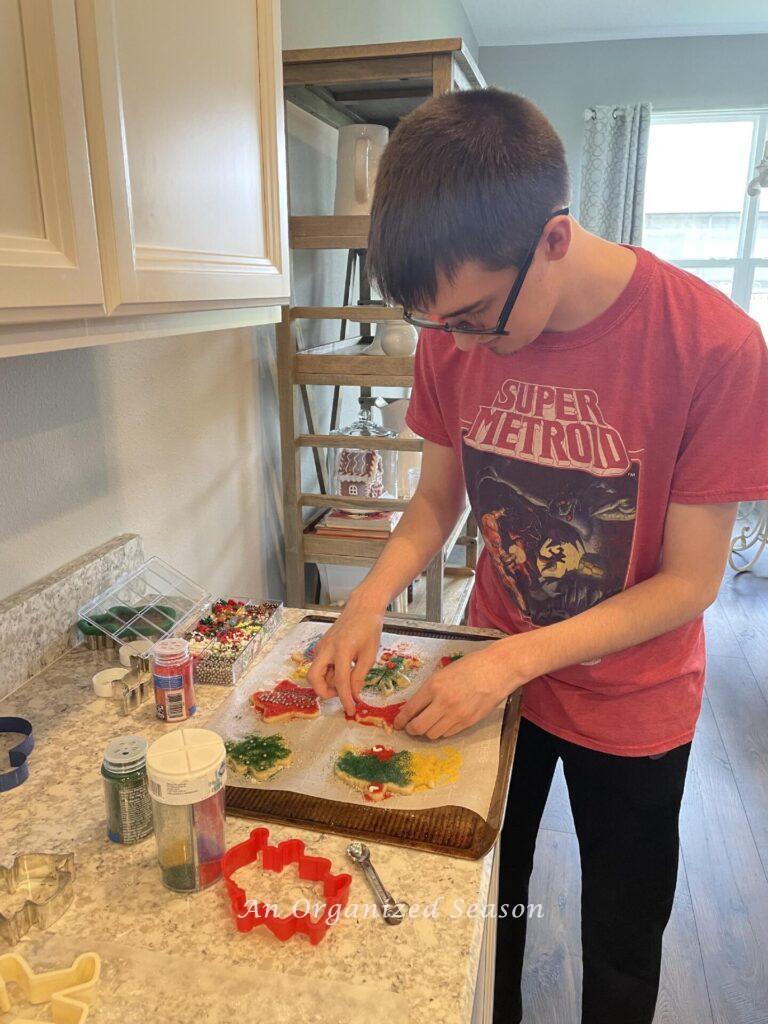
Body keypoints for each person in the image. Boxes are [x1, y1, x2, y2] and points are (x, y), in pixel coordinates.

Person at [305, 88, 768, 1023]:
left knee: (624, 940)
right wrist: (366, 601)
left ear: (554, 239)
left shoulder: (715, 346)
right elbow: (437, 502)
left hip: (635, 701)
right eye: (443, 326)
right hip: (492, 666)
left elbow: (691, 583)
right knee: (485, 909)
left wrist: (511, 659)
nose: (461, 343)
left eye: (475, 317)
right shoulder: (454, 325)